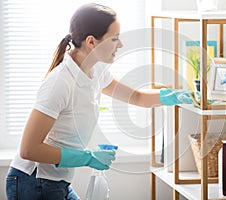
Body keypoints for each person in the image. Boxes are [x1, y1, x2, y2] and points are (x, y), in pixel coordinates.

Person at [5, 3, 193, 200]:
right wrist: (87, 158)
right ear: (91, 42)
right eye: (114, 39)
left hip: (55, 181)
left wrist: (170, 96)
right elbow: (29, 149)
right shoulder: (60, 83)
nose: (120, 45)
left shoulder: (96, 71)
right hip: (32, 182)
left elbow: (136, 97)